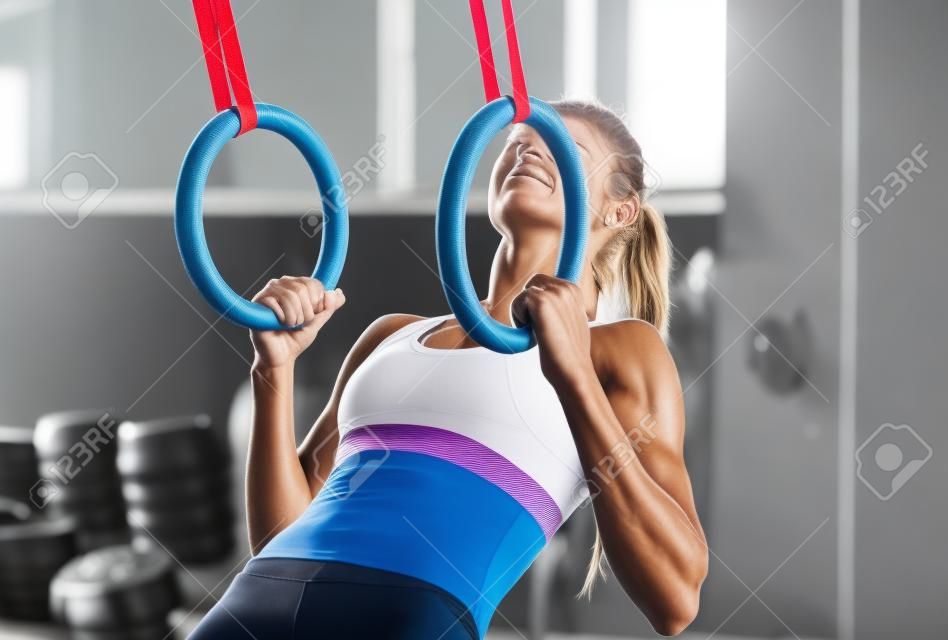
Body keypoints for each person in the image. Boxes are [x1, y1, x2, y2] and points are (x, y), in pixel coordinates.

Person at [188, 100, 708, 639]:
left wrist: (573, 374)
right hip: (255, 602)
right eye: (517, 142)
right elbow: (277, 535)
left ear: (620, 210)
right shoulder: (390, 335)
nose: (529, 148)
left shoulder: (620, 350)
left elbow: (675, 600)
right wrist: (273, 369)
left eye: (562, 148)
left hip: (411, 615)